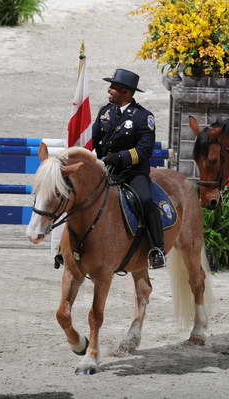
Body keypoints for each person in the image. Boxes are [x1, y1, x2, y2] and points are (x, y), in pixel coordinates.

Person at [92, 68, 165, 269]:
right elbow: (93, 139)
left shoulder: (143, 117)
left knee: (146, 200)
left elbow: (144, 151)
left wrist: (118, 158)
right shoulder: (105, 112)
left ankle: (157, 249)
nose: (110, 89)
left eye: (114, 87)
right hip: (106, 169)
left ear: (125, 92)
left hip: (132, 173)